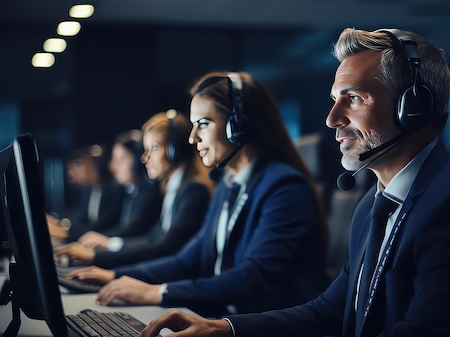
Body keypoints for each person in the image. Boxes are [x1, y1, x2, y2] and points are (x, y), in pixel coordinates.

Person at [139, 28, 450, 337]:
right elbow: (331, 311)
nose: (331, 118)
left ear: (413, 106)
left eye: (352, 98)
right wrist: (223, 329)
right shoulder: (374, 206)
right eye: (333, 99)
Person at [66, 71, 329, 317]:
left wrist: (157, 292)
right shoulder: (229, 184)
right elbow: (188, 259)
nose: (192, 138)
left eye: (203, 124)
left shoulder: (284, 187)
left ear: (238, 125)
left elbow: (254, 276)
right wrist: (115, 275)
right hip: (223, 316)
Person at [55, 110, 213, 269]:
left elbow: (165, 248)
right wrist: (108, 247)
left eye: (154, 148)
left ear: (174, 150)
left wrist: (98, 256)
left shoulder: (194, 191)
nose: (144, 158)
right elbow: (153, 238)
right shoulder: (174, 188)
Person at [78, 129, 163, 244]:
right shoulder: (131, 190)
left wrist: (106, 242)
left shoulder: (150, 193)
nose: (113, 167)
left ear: (136, 161)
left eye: (120, 160)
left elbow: (133, 231)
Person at [47, 144, 126, 242]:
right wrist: (60, 222)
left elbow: (102, 224)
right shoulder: (89, 190)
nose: (80, 172)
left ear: (99, 167)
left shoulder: (114, 190)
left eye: (87, 167)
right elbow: (81, 215)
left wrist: (66, 233)